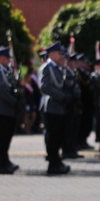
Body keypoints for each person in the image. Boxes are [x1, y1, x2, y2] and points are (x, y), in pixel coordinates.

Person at [0, 46, 20, 175]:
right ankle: (0, 165)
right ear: (0, 58)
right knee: (1, 138)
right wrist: (12, 99)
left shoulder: (3, 69)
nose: (8, 60)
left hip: (5, 107)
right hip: (1, 107)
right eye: (6, 58)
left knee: (6, 136)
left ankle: (5, 162)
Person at [39, 42, 71, 175]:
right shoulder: (47, 68)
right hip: (51, 106)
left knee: (59, 136)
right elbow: (45, 87)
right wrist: (62, 96)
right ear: (51, 54)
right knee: (53, 136)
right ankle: (53, 163)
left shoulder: (58, 68)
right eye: (58, 53)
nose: (60, 56)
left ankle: (56, 161)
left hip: (59, 107)